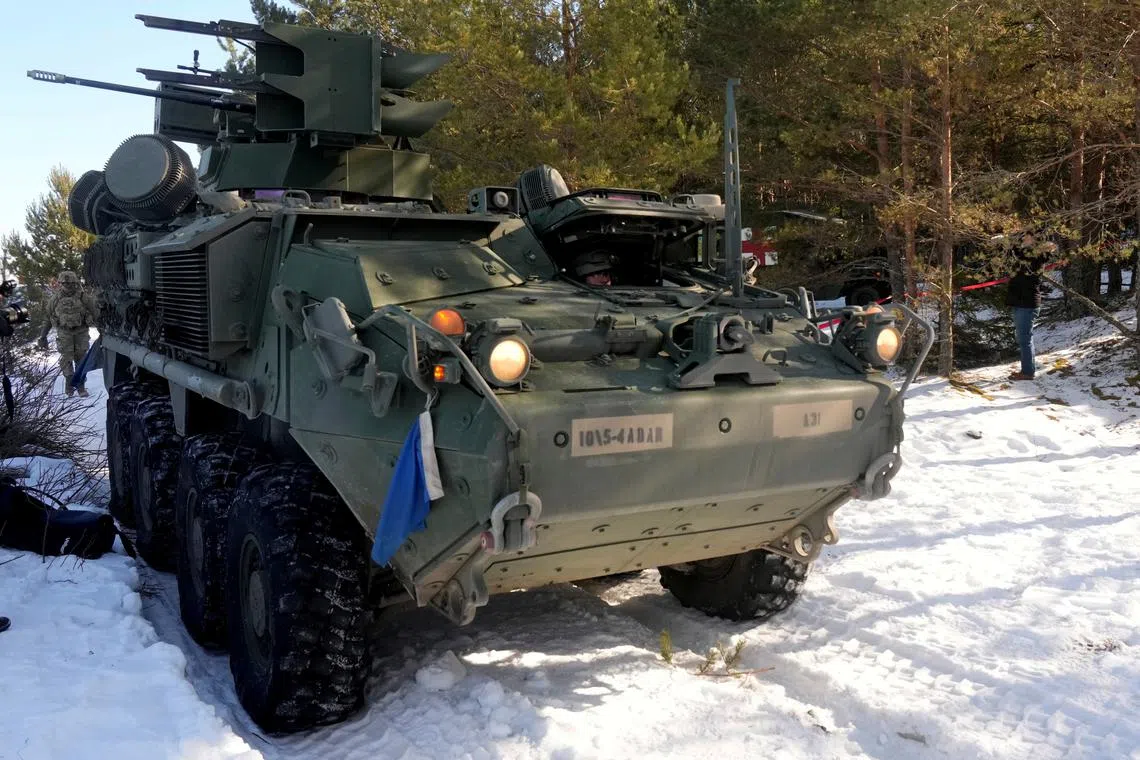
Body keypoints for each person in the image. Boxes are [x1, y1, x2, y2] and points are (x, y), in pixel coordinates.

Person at [36, 271, 98, 397]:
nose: (68, 286)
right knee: (66, 359)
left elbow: (95, 313)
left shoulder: (83, 297)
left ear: (75, 283)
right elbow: (48, 318)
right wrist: (43, 336)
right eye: (65, 283)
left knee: (81, 359)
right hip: (64, 333)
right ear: (60, 283)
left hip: (81, 332)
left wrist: (103, 331)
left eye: (70, 283)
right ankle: (69, 385)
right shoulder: (55, 299)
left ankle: (81, 387)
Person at [1004, 231, 1049, 381]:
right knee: (1023, 338)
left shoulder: (1038, 256)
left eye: (1028, 237)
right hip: (1019, 301)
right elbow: (1013, 255)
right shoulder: (1021, 253)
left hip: (1028, 303)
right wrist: (1004, 243)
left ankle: (1028, 372)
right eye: (1024, 237)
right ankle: (1027, 369)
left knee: (1025, 338)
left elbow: (1025, 263)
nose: (1024, 239)